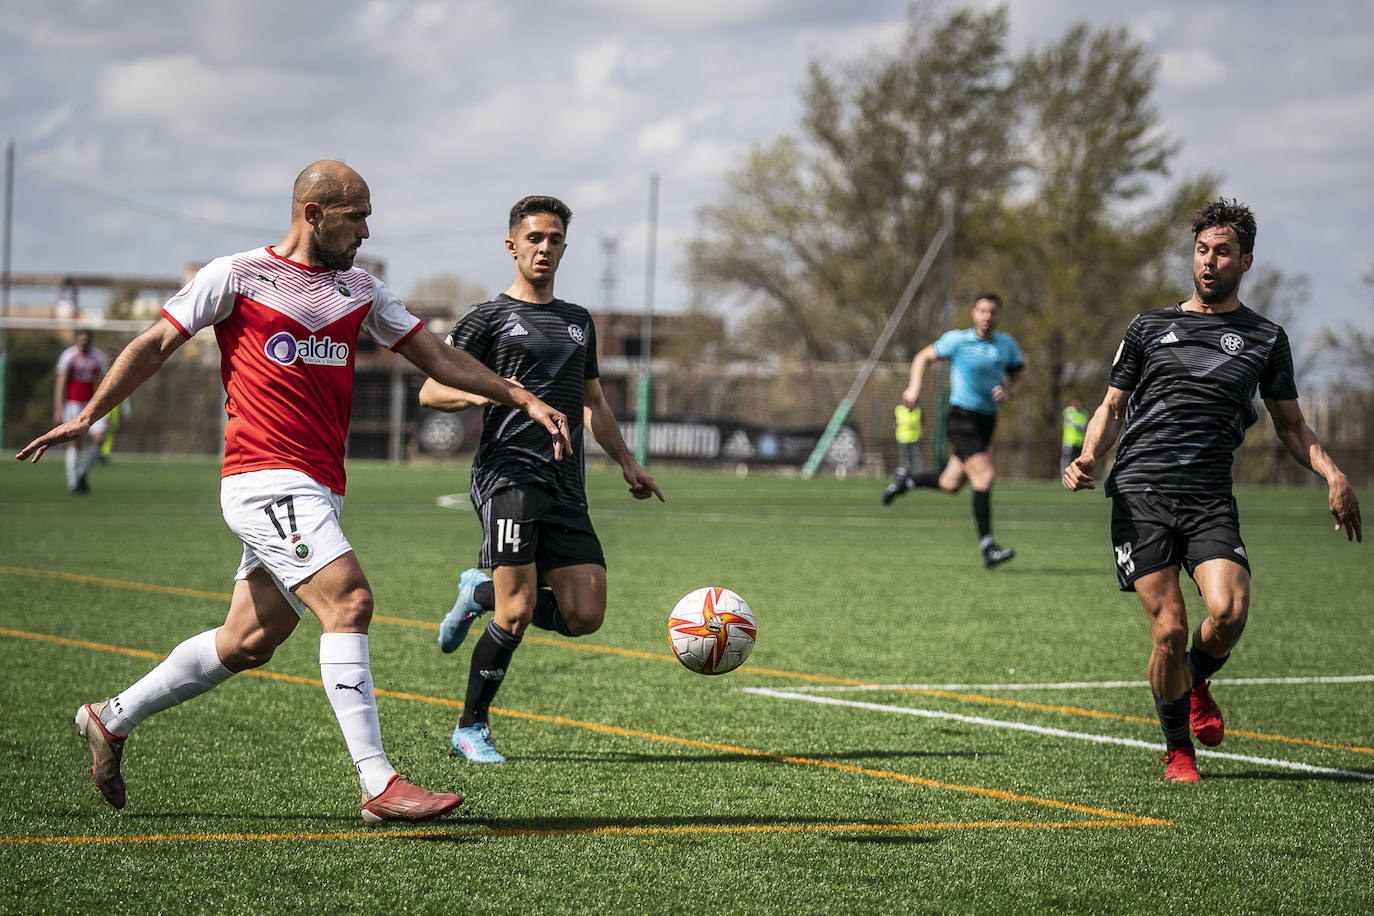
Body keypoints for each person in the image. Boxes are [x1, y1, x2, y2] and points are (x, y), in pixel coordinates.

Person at [16, 160, 573, 822]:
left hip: (319, 487)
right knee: (351, 600)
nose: (367, 230)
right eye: (356, 216)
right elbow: (156, 343)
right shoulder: (237, 275)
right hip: (262, 478)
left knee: (249, 640)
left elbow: (439, 358)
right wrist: (88, 416)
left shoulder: (361, 290)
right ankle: (378, 784)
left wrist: (517, 395)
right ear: (313, 213)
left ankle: (110, 719)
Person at [1064, 198, 1362, 782]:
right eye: (1201, 250)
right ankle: (1178, 748)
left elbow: (1293, 426)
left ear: (1245, 261)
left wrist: (1334, 474)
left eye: (1222, 251)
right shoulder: (1148, 327)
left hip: (1208, 500)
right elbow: (1111, 406)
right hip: (1141, 494)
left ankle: (1195, 681)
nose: (1208, 261)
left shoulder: (1265, 339)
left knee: (1229, 613)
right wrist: (1087, 455)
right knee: (1170, 630)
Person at [419, 195, 664, 764]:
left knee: (586, 614)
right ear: (512, 245)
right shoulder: (486, 319)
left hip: (565, 484)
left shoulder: (578, 322)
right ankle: (470, 728)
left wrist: (627, 461)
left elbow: (593, 402)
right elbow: (432, 391)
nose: (545, 248)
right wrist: (504, 393)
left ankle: (477, 591)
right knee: (518, 609)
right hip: (508, 475)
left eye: (554, 239)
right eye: (534, 238)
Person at [882, 293, 1025, 569]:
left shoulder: (1006, 345)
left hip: (987, 421)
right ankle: (988, 546)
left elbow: (1019, 374)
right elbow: (923, 356)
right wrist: (914, 387)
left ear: (999, 316)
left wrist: (1010, 392)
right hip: (961, 418)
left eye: (992, 311)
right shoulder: (958, 340)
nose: (987, 316)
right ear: (973, 313)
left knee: (951, 483)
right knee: (985, 476)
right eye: (982, 310)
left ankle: (907, 481)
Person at [53, 328, 109, 493]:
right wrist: (58, 408)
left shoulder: (98, 358)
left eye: (87, 337)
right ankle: (74, 483)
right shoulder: (68, 356)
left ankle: (81, 473)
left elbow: (105, 383)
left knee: (100, 439)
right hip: (73, 405)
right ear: (77, 338)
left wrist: (105, 406)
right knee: (75, 442)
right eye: (81, 337)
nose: (84, 340)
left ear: (91, 339)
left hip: (92, 404)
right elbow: (61, 383)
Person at [1060, 397, 1088, 476]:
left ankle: (1076, 476)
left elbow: (1084, 427)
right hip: (1069, 441)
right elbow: (1065, 414)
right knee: (1067, 460)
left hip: (1080, 442)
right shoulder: (1069, 412)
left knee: (1078, 462)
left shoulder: (1084, 414)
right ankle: (1065, 477)